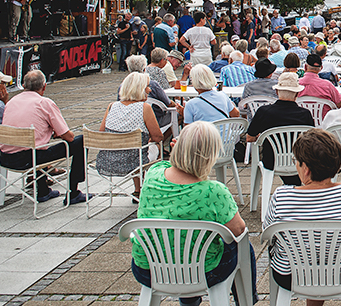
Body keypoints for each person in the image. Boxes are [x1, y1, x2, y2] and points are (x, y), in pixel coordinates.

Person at [130, 121, 253, 306]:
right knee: (243, 245)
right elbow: (239, 230)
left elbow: (168, 166)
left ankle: (189, 301)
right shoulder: (213, 192)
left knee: (180, 243)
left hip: (149, 269)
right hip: (201, 272)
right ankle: (247, 300)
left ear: (178, 147)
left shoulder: (153, 174)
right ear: (210, 155)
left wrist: (178, 148)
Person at [261, 127, 341, 298]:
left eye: (296, 161)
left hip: (290, 277)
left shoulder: (281, 197)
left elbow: (267, 235)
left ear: (306, 169)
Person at [0, 70, 88, 205]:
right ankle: (73, 192)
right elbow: (69, 137)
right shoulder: (44, 103)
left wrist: (48, 133)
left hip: (5, 157)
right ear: (44, 86)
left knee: (36, 144)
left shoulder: (12, 101)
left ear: (23, 85)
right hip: (29, 158)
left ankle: (43, 190)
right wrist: (57, 133)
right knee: (81, 141)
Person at [97, 72, 165, 200]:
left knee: (137, 148)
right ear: (139, 89)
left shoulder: (112, 106)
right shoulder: (144, 108)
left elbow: (102, 134)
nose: (149, 90)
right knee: (152, 146)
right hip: (135, 161)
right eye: (147, 87)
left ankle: (137, 189)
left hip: (109, 161)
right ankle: (149, 186)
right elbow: (158, 137)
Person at [246, 72, 315, 185]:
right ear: (297, 94)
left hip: (271, 161)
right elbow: (311, 139)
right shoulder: (305, 114)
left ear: (277, 92)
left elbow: (249, 138)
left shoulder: (264, 112)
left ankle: (290, 186)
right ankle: (293, 186)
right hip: (298, 160)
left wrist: (263, 136)